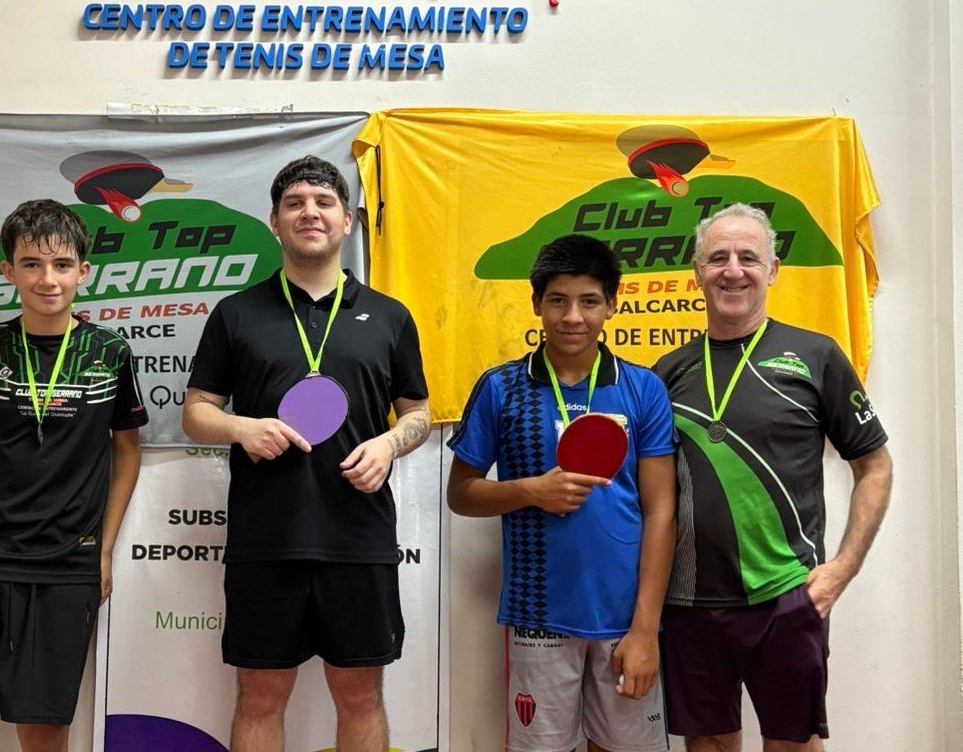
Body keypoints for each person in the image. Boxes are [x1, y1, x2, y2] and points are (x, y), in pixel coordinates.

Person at [182, 155, 431, 752]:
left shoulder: (390, 316)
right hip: (266, 540)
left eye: (324, 203)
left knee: (361, 698)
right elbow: (195, 413)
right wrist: (241, 428)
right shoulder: (236, 313)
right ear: (275, 222)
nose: (309, 213)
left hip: (358, 540)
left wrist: (389, 443)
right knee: (260, 700)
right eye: (294, 203)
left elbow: (419, 414)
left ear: (347, 221)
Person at [0, 199, 148, 752]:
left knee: (42, 727)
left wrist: (103, 549)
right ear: (8, 271)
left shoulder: (110, 351)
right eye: (32, 264)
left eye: (62, 264)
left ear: (83, 272)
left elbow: (127, 453)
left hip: (65, 562)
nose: (48, 279)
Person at [653, 203, 893, 752]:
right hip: (689, 600)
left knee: (793, 744)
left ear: (773, 270)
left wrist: (843, 569)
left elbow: (874, 465)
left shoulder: (816, 355)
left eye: (748, 257)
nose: (733, 270)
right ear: (697, 272)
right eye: (718, 258)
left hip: (786, 594)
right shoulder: (666, 371)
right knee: (708, 746)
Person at [447, 234, 676, 752]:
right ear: (536, 303)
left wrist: (646, 628)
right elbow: (461, 493)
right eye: (558, 300)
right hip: (538, 616)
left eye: (589, 301)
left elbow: (661, 511)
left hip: (625, 619)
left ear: (611, 305)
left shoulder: (643, 388)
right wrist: (530, 491)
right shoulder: (501, 387)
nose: (573, 317)